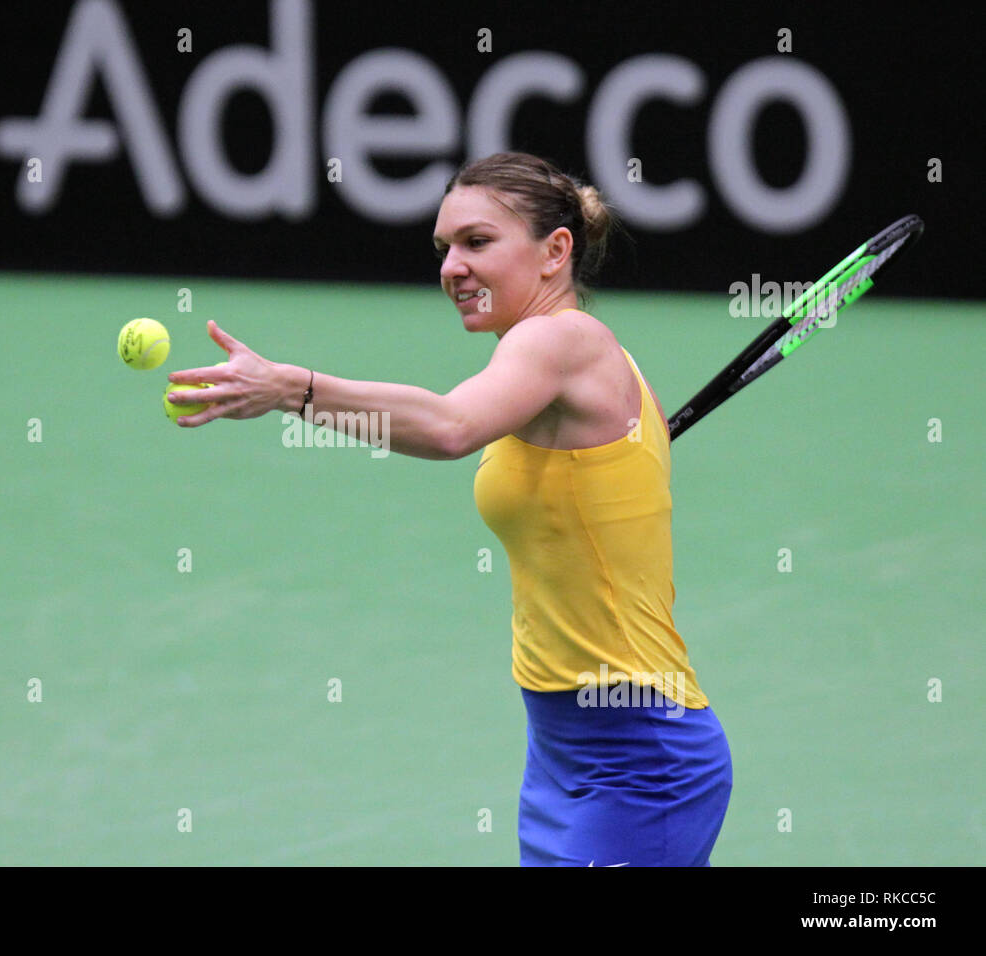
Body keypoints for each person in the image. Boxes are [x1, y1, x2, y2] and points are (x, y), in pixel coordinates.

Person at [166, 151, 733, 866]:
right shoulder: (557, 364)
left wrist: (292, 390)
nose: (452, 268)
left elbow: (449, 428)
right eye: (444, 248)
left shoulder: (563, 339)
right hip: (562, 745)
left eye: (477, 242)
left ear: (556, 251)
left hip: (638, 754)